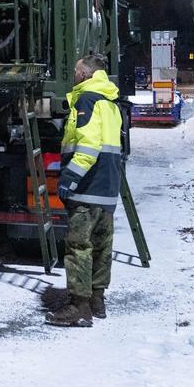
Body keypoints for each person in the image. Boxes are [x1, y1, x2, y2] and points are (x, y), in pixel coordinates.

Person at [47, 54, 124, 327]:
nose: (74, 75)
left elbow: (88, 148)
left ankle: (79, 306)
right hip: (106, 187)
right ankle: (97, 300)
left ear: (86, 74)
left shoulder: (86, 100)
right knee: (103, 245)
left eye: (77, 71)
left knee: (79, 245)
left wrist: (69, 178)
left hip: (87, 185)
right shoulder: (110, 101)